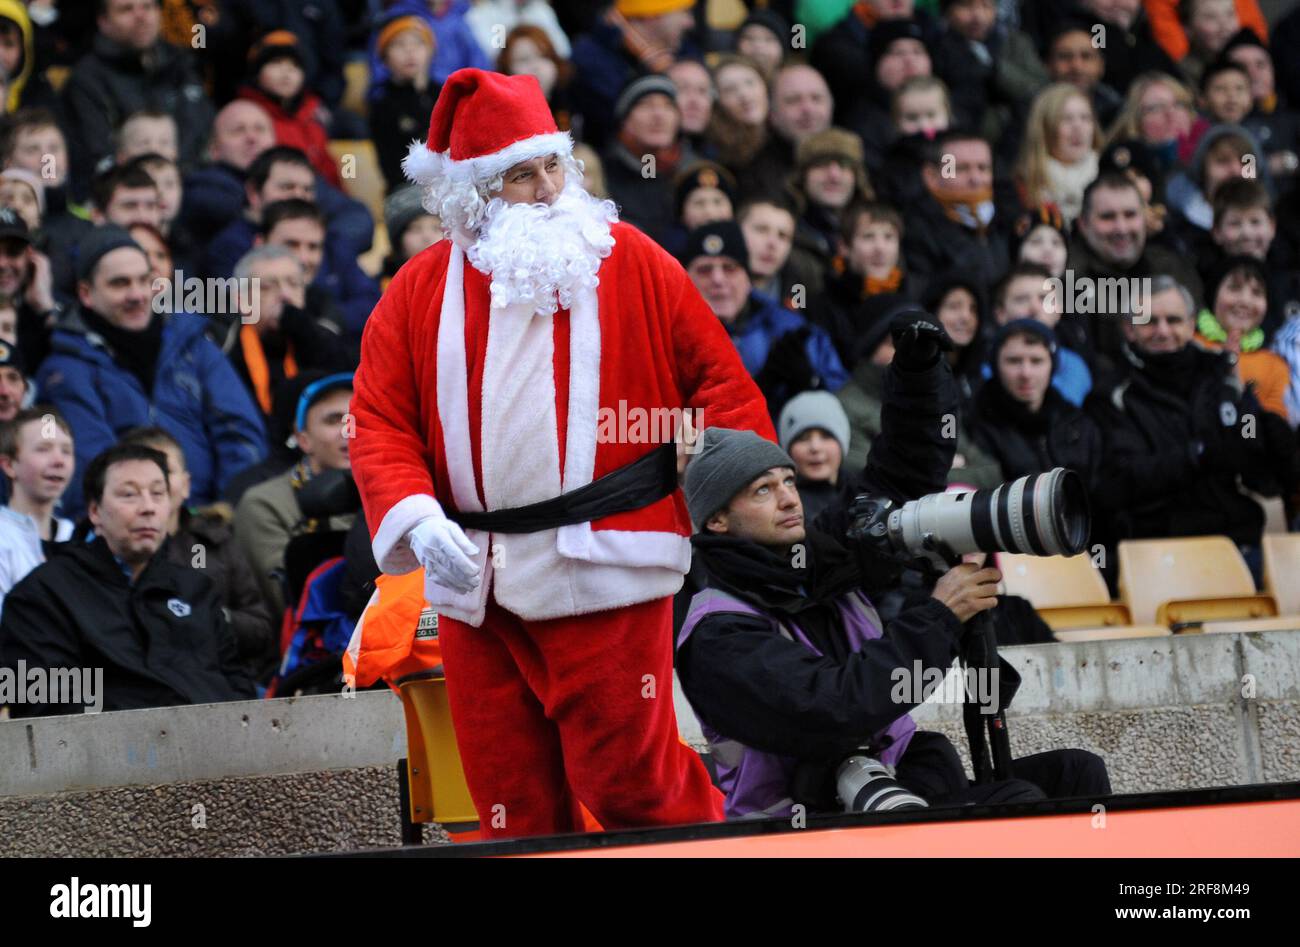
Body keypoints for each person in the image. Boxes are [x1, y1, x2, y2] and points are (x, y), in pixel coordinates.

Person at [349, 68, 774, 840]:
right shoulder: (414, 290)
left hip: (605, 559)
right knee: (508, 799)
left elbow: (721, 383)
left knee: (629, 784)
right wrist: (414, 516)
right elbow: (378, 419)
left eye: (553, 165)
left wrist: (735, 489)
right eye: (521, 174)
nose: (547, 188)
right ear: (477, 196)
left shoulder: (634, 259)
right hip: (471, 577)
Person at [675, 318, 1112, 819]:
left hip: (896, 785)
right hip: (806, 823)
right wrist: (941, 616)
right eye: (763, 490)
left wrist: (918, 374)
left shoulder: (816, 559)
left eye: (788, 481)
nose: (789, 499)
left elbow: (898, 479)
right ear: (717, 519)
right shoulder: (717, 634)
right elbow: (833, 710)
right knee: (1020, 806)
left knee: (1078, 776)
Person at [0, 442, 256, 715]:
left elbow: (239, 689)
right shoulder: (44, 594)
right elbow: (45, 712)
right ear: (95, 511)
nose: (148, 508)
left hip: (215, 749)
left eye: (158, 494)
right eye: (129, 494)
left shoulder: (196, 590)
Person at [36, 227, 266, 515]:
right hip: (125, 526)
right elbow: (92, 463)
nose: (137, 294)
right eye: (120, 284)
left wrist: (226, 510)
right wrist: (152, 516)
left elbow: (241, 434)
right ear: (86, 293)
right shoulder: (66, 369)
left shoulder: (194, 344)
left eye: (144, 281)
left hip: (210, 523)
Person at [1085, 276, 1296, 581]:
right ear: (1129, 328)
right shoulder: (1111, 394)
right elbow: (1119, 480)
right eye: (1149, 322)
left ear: (1191, 323)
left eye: (1173, 320)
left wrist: (1273, 440)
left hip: (1237, 545)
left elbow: (1255, 457)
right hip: (1155, 555)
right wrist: (1195, 455)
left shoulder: (1224, 376)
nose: (1163, 331)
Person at [119, 425, 276, 682]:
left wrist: (216, 616)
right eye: (141, 477)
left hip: (222, 683)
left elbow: (261, 629)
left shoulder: (216, 541)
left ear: (186, 484)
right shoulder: (112, 548)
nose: (155, 484)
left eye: (164, 471)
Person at [683, 220, 847, 414]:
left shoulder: (790, 330)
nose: (718, 280)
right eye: (704, 270)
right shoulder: (668, 339)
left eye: (729, 268)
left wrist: (812, 385)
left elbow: (841, 407)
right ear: (686, 278)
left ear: (748, 278)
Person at [235, 372, 355, 619]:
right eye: (334, 420)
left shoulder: (397, 493)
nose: (348, 431)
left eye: (357, 418)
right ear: (303, 440)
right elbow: (287, 601)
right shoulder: (264, 504)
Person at [60, 0, 213, 188]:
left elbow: (202, 130)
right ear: (103, 21)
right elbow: (97, 153)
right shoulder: (86, 79)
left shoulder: (182, 65)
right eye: (126, 9)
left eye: (148, 6)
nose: (141, 16)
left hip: (190, 186)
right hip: (127, 191)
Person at [221, 244, 352, 419]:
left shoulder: (322, 338)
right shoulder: (224, 346)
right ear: (241, 300)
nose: (285, 294)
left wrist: (304, 331)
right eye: (267, 286)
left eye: (294, 284)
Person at [970, 320, 1103, 488]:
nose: (1026, 373)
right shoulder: (977, 425)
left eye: (1036, 361)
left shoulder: (1077, 423)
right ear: (996, 366)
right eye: (1014, 361)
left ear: (1052, 366)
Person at [236, 31, 340, 188]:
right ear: (257, 74)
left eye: (295, 66)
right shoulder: (243, 117)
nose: (287, 72)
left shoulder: (313, 118)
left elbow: (330, 172)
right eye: (276, 62)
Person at [0, 405, 74, 613]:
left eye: (67, 451)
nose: (59, 461)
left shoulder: (77, 537)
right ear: (9, 465)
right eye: (43, 449)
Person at [369, 14, 441, 195]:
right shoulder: (382, 104)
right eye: (399, 45)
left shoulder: (447, 93)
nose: (410, 51)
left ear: (431, 51)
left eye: (418, 43)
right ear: (385, 57)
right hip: (407, 190)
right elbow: (392, 168)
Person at [777, 389, 850, 523]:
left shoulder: (863, 491)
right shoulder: (784, 507)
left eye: (826, 436)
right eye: (802, 438)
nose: (815, 447)